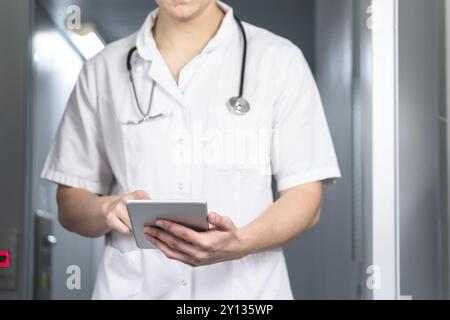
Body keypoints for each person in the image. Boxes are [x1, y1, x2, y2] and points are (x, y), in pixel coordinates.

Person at [42, 0, 341, 299]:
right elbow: (71, 202)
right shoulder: (102, 69)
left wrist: (242, 242)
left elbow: (305, 196)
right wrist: (108, 208)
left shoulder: (279, 60)